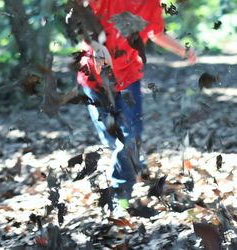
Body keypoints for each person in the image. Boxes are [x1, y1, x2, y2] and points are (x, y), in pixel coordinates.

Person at [76, 0, 196, 205]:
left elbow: (155, 33)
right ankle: (133, 163)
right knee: (112, 141)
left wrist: (182, 50)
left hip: (128, 78)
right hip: (95, 80)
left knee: (129, 137)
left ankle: (120, 196)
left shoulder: (151, 4)